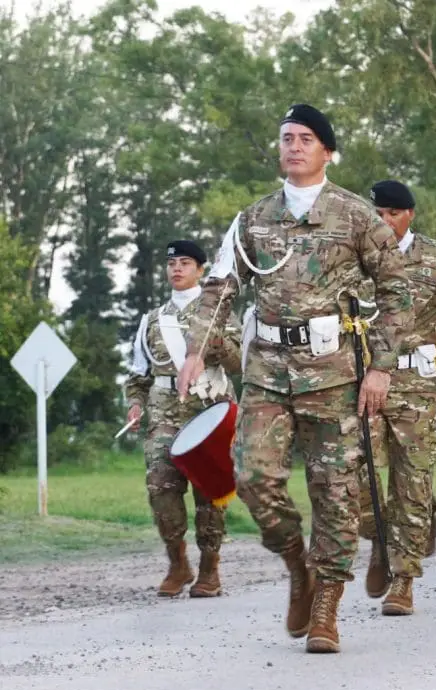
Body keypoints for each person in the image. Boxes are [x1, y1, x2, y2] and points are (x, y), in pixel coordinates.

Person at [177, 104, 414, 654]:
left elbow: (398, 293)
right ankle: (295, 562)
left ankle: (328, 605)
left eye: (307, 138)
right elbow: (220, 288)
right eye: (287, 138)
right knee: (253, 476)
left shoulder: (357, 217)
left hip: (335, 376)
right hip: (266, 371)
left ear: (328, 151)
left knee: (335, 494)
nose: (294, 146)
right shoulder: (253, 218)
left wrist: (381, 366)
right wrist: (195, 350)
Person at [361, 179, 436, 615]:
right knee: (354, 478)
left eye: (391, 213)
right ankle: (378, 538)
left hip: (419, 387)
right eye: (377, 214)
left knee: (413, 483)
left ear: (409, 215)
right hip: (365, 384)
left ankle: (403, 578)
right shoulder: (358, 256)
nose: (383, 221)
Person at [124, 240, 241, 597]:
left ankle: (209, 567)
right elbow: (138, 376)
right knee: (160, 487)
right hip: (164, 415)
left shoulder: (220, 314)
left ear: (200, 270)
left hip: (210, 412)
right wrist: (135, 403)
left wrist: (214, 342)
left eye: (185, 263)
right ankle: (178, 563)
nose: (176, 268)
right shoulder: (152, 320)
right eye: (172, 262)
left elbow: (239, 363)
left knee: (210, 492)